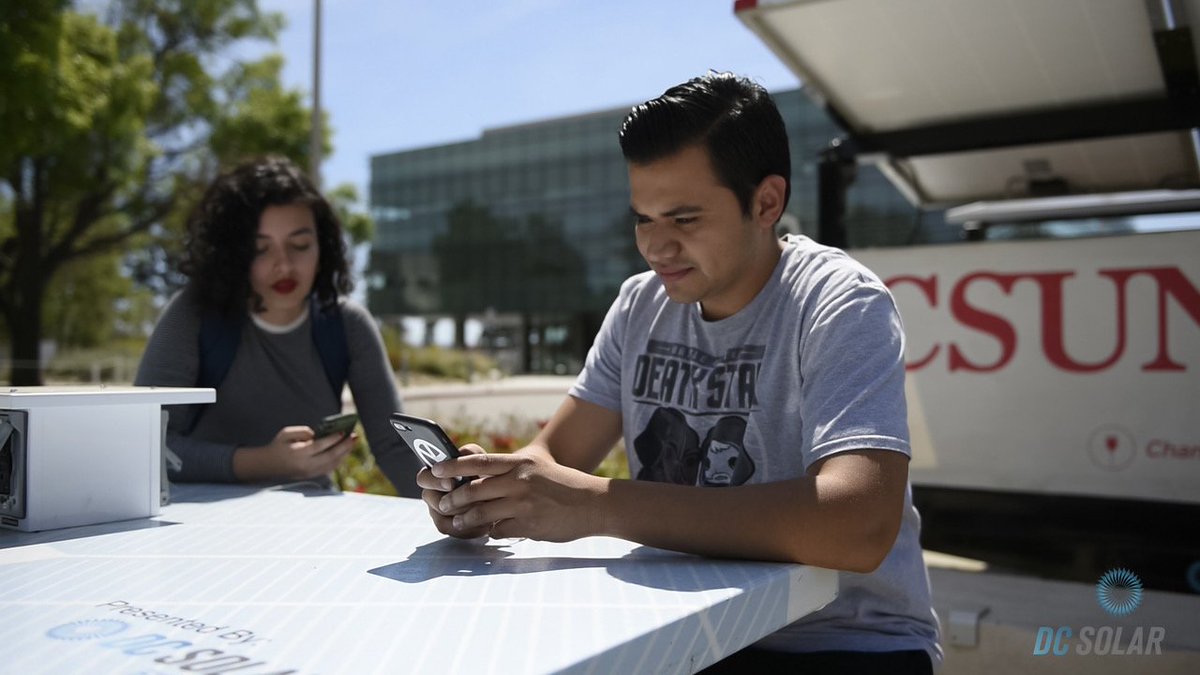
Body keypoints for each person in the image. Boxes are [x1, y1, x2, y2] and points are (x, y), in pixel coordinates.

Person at [417, 72, 941, 671]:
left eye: (684, 219)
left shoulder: (840, 301)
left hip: (845, 642)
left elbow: (858, 524)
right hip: (693, 628)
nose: (656, 247)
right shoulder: (640, 304)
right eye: (644, 219)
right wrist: (491, 492)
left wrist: (599, 505)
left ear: (766, 203)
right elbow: (555, 458)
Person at [135, 156, 422, 497]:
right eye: (260, 249)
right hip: (203, 522)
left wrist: (454, 495)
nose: (284, 265)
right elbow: (147, 446)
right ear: (232, 253)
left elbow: (395, 447)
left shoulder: (349, 324)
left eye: (300, 245)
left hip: (316, 521)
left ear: (323, 246)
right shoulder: (193, 314)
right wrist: (264, 463)